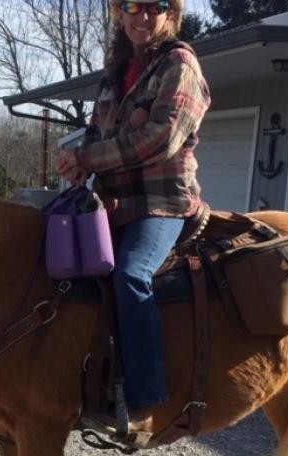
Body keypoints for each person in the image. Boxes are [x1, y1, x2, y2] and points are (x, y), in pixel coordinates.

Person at [56, 0, 210, 430]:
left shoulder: (179, 67)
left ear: (171, 13)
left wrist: (87, 158)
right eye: (132, 6)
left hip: (161, 203)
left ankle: (145, 399)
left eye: (155, 6)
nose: (143, 16)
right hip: (113, 205)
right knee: (59, 268)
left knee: (130, 275)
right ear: (118, 14)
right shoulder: (115, 73)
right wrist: (75, 162)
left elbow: (160, 139)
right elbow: (94, 132)